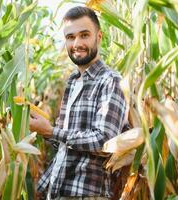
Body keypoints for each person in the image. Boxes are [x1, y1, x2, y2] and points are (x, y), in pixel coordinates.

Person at [29, 6, 127, 200]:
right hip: (59, 190)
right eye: (70, 37)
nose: (77, 43)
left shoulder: (111, 81)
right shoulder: (73, 82)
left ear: (99, 37)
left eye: (84, 35)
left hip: (87, 193)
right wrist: (44, 130)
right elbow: (66, 145)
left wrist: (50, 131)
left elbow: (105, 141)